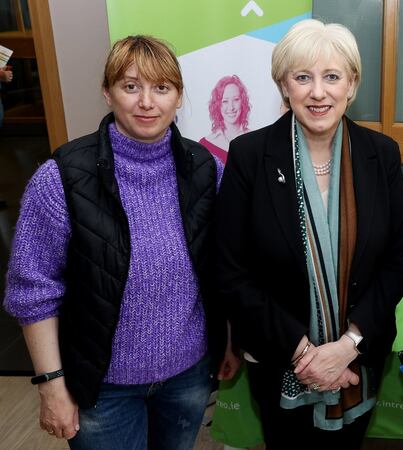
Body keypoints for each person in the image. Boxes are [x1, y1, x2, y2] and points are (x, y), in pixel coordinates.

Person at [3, 35, 239, 449]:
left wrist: (230, 342)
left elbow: (224, 267)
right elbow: (33, 291)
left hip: (187, 375)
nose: (147, 102)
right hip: (102, 387)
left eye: (161, 88)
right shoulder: (61, 178)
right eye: (131, 86)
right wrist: (51, 384)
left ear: (178, 97)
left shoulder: (206, 170)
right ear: (107, 92)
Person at [214, 19, 403, 448]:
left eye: (332, 77)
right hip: (278, 362)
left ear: (352, 84)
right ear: (283, 85)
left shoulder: (381, 156)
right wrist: (305, 355)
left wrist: (347, 346)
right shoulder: (250, 156)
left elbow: (400, 259)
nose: (318, 92)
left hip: (358, 363)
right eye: (303, 77)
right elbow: (231, 271)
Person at [200, 74, 251, 164]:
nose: (231, 107)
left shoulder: (254, 140)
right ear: (217, 105)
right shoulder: (205, 145)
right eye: (225, 101)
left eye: (236, 99)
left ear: (242, 102)